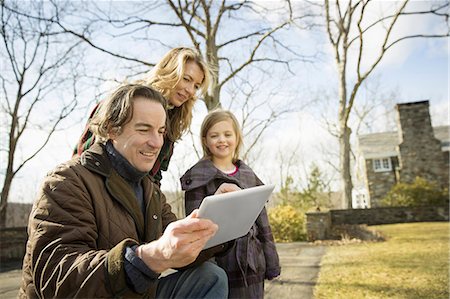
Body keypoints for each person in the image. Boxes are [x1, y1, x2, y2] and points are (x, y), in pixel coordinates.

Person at [19, 84, 238, 298]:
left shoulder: (150, 190)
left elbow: (176, 246)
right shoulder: (66, 181)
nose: (156, 143)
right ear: (113, 129)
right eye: (144, 129)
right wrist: (147, 258)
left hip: (138, 293)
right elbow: (58, 278)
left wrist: (218, 220)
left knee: (210, 276)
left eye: (161, 131)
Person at [73, 47, 211, 185]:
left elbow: (155, 175)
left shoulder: (173, 121)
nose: (190, 90)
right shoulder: (124, 102)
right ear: (169, 71)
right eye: (186, 79)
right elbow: (86, 155)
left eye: (196, 86)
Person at [180, 109, 281, 298]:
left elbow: (264, 225)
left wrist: (271, 263)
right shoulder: (197, 179)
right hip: (217, 264)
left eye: (227, 134)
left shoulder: (250, 178)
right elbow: (194, 226)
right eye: (214, 135)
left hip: (252, 263)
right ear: (205, 140)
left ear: (237, 138)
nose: (222, 140)